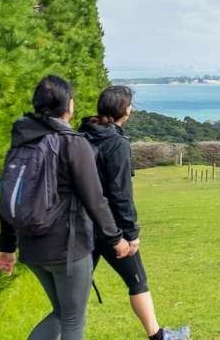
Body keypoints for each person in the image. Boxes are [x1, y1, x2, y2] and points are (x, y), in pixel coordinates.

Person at [0, 75, 131, 340]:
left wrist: (7, 247)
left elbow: (8, 194)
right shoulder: (72, 143)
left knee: (61, 312)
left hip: (32, 248)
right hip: (67, 248)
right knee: (72, 319)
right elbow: (95, 198)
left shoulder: (21, 141)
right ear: (68, 105)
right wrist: (116, 239)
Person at [81, 85, 190, 340]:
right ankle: (158, 336)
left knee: (76, 293)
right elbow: (121, 194)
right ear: (124, 110)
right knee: (137, 280)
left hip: (81, 224)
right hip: (111, 228)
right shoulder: (116, 143)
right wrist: (131, 233)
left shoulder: (81, 136)